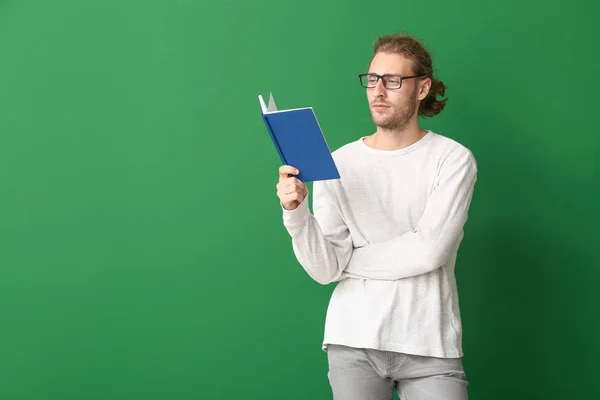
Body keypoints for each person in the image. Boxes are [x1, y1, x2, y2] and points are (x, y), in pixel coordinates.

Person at [275, 32, 477, 400]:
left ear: (422, 88)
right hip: (353, 341)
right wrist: (295, 214)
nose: (378, 91)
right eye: (372, 79)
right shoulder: (337, 163)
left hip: (430, 343)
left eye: (393, 80)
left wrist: (349, 261)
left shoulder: (452, 160)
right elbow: (325, 269)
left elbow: (428, 251)